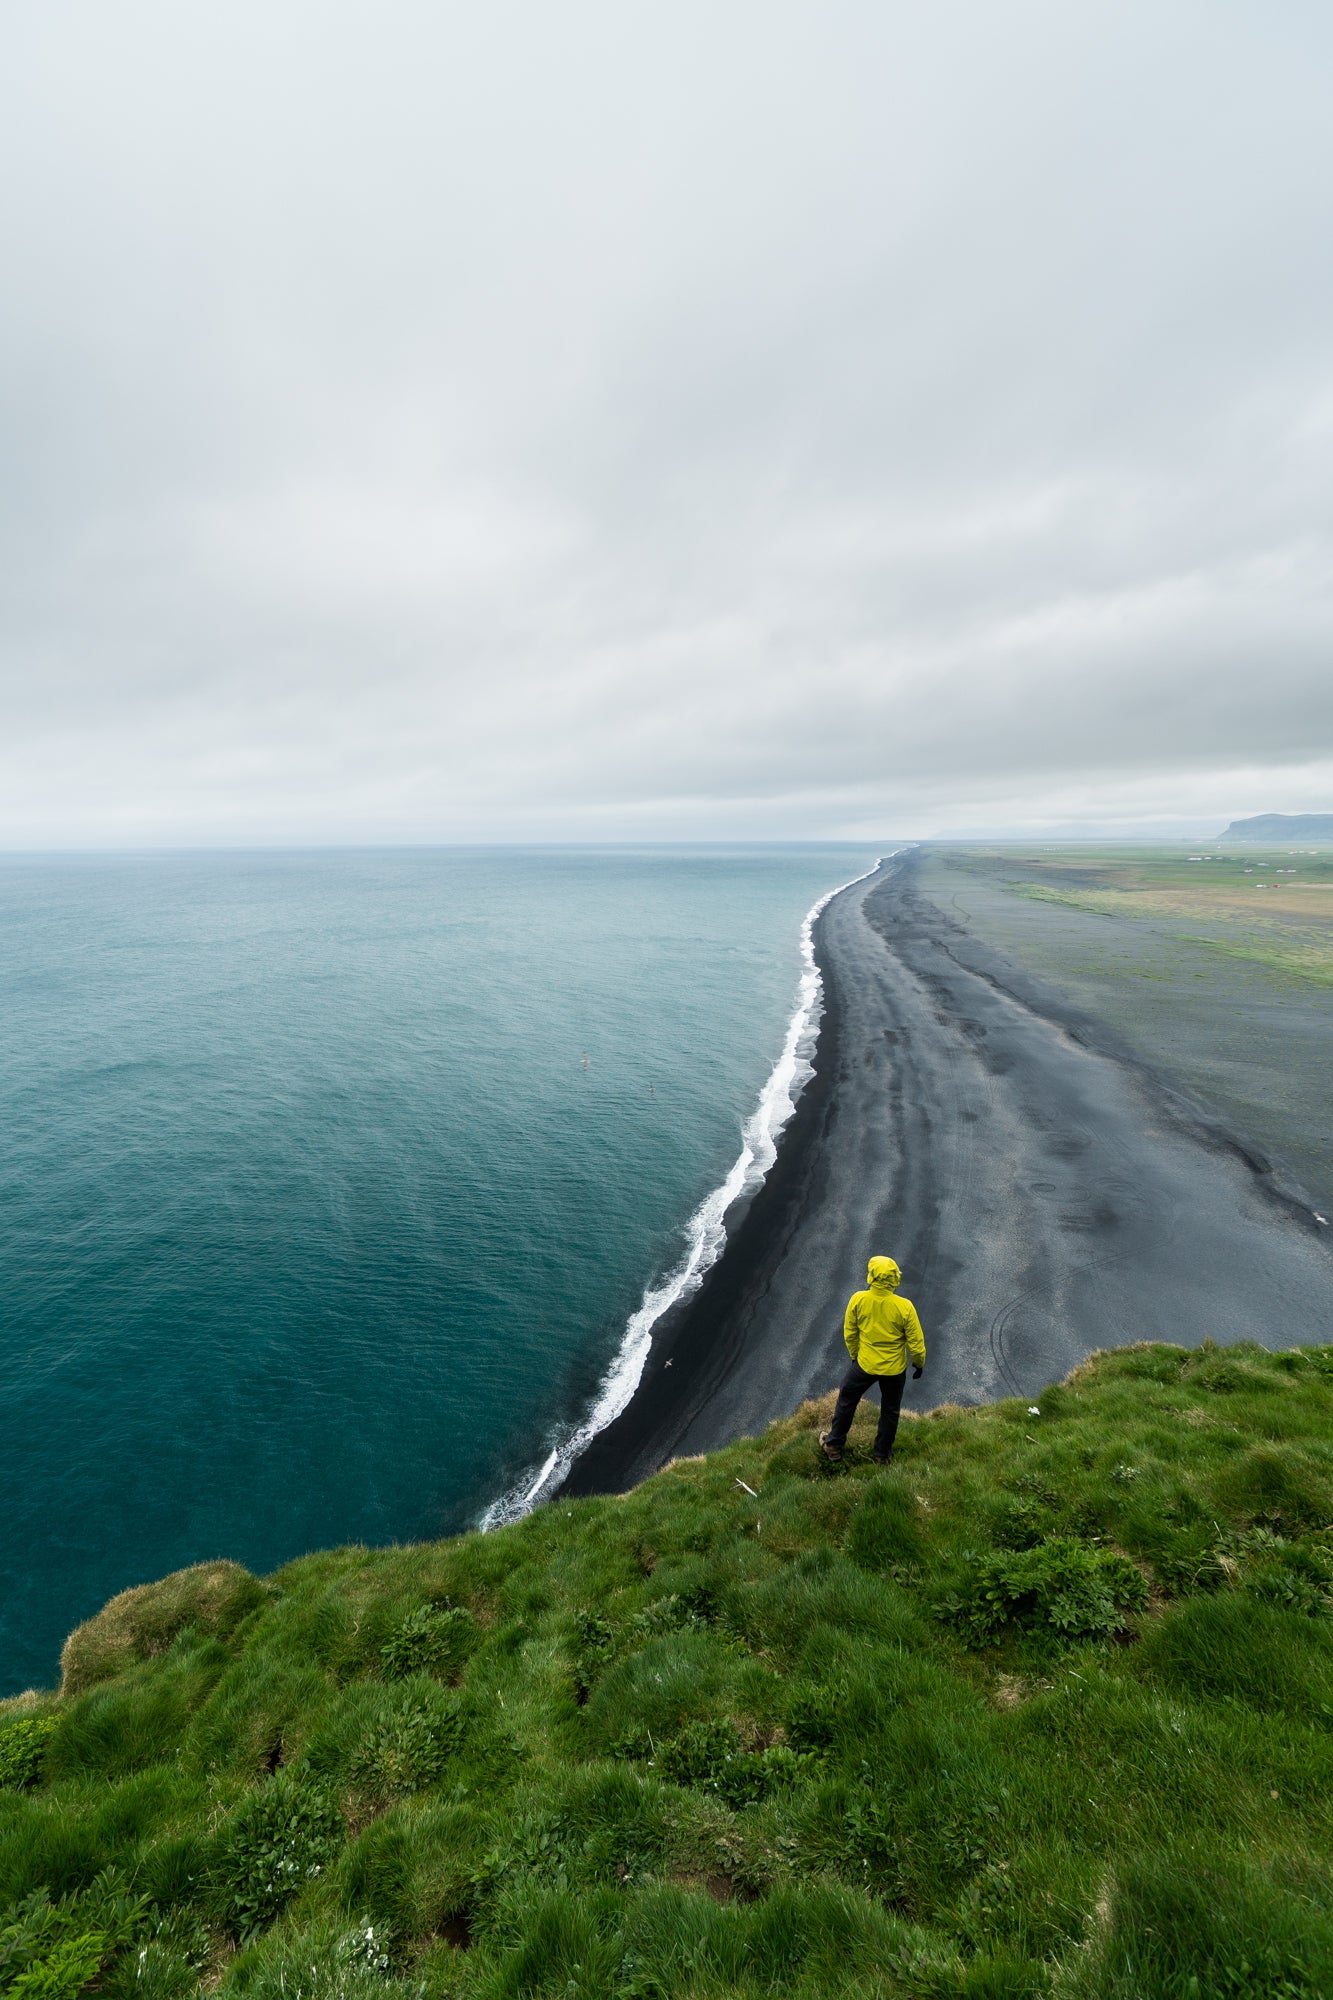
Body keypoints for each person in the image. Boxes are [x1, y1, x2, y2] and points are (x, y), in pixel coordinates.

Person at [820, 1255, 925, 1466]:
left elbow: (850, 1332)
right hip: (894, 1370)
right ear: (895, 1278)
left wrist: (854, 1356)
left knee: (847, 1400)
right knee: (890, 1410)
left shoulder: (858, 1299)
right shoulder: (904, 1307)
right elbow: (916, 1342)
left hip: (864, 1364)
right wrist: (918, 1363)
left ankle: (833, 1445)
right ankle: (882, 1455)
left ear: (871, 1277)